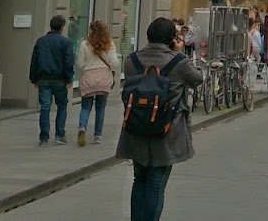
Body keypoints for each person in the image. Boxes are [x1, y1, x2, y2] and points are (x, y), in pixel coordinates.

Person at [117, 17, 203, 221]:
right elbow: (197, 79)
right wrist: (179, 52)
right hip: (166, 128)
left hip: (136, 126)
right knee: (156, 182)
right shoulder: (178, 62)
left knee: (139, 179)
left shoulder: (132, 60)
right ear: (172, 39)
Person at [29, 14, 75, 146]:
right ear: (62, 27)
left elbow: (34, 61)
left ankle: (43, 137)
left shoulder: (41, 41)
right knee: (62, 106)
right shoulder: (65, 42)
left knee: (44, 108)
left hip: (43, 79)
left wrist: (34, 79)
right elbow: (68, 62)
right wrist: (69, 78)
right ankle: (59, 134)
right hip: (60, 79)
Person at [75, 19, 119, 146]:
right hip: (103, 78)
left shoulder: (85, 44)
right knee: (100, 107)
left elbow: (80, 64)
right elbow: (115, 63)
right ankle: (97, 135)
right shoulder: (109, 44)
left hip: (89, 77)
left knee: (85, 106)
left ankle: (82, 127)